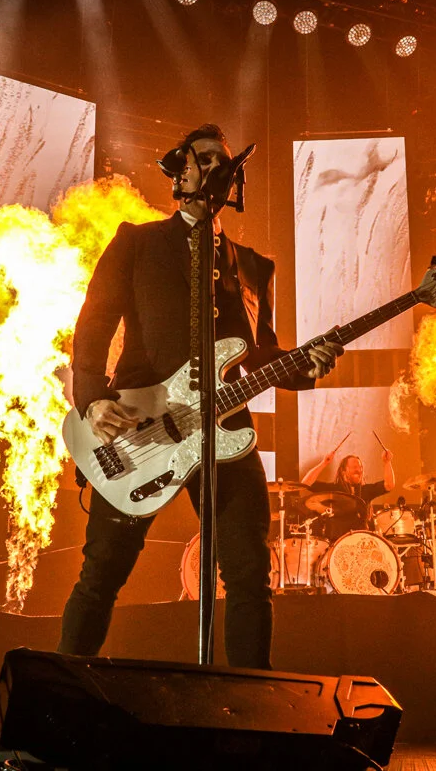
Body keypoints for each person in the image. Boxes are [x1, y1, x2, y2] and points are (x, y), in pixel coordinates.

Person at [59, 124, 343, 669]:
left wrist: (304, 366)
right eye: (204, 159)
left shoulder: (254, 266)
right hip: (140, 427)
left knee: (250, 575)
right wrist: (93, 399)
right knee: (101, 574)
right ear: (180, 172)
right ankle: (58, 693)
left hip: (227, 432)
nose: (216, 168)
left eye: (224, 162)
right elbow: (93, 326)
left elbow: (258, 353)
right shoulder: (136, 242)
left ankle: (249, 703)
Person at [300, 450, 395, 540]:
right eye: (354, 467)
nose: (358, 470)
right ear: (343, 471)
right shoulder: (333, 489)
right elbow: (305, 483)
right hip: (337, 541)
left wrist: (387, 462)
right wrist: (324, 463)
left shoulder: (366, 490)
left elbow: (389, 485)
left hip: (361, 542)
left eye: (360, 467)